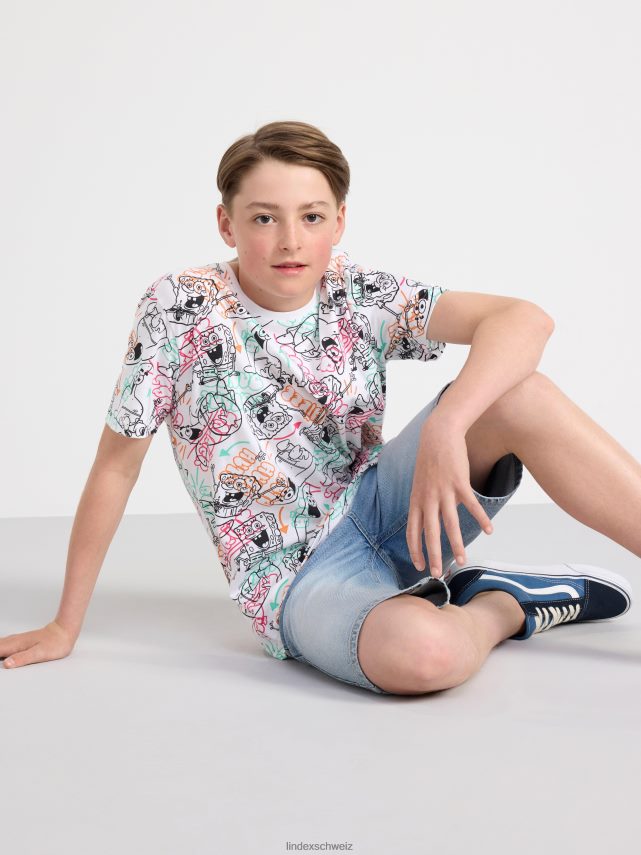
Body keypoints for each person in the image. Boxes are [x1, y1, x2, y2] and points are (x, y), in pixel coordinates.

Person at [1, 120, 635, 696]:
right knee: (425, 657)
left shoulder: (355, 290)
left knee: (521, 394)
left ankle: (434, 583)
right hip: (297, 577)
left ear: (339, 222)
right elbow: (116, 467)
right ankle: (501, 603)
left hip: (389, 507)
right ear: (226, 224)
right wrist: (65, 624)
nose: (290, 241)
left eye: (311, 217)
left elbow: (524, 319)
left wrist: (450, 422)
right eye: (263, 218)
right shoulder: (178, 308)